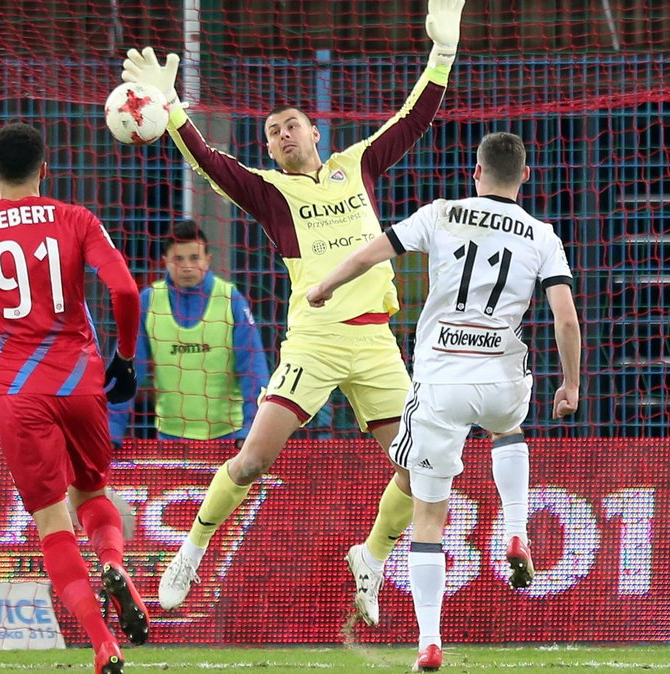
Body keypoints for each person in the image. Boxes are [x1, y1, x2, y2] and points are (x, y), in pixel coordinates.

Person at [120, 0, 467, 612]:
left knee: (423, 470)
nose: (281, 136)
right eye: (271, 133)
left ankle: (372, 556)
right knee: (253, 460)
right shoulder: (270, 191)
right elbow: (210, 160)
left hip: (376, 342)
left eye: (290, 125)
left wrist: (441, 54)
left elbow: (413, 120)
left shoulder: (355, 166)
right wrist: (172, 109)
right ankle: (191, 553)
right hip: (316, 339)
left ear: (315, 132)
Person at [307, 131, 582, 671]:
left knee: (429, 512)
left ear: (475, 172)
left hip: (440, 382)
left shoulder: (442, 213)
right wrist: (570, 385)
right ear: (523, 177)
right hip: (504, 379)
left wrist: (326, 286)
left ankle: (429, 642)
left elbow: (371, 253)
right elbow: (566, 317)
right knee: (509, 431)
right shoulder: (542, 234)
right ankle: (517, 531)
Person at [0, 122, 146, 674]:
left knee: (50, 520)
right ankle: (113, 561)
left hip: (17, 388)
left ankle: (102, 643)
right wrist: (124, 359)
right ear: (45, 167)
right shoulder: (76, 218)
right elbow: (126, 290)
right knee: (93, 491)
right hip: (80, 380)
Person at [108, 220, 269, 447]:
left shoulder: (230, 299)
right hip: (170, 439)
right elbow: (127, 370)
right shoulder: (148, 301)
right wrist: (110, 431)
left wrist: (251, 429)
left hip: (230, 438)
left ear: (208, 260)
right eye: (178, 259)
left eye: (194, 258)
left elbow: (253, 368)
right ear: (165, 262)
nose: (187, 267)